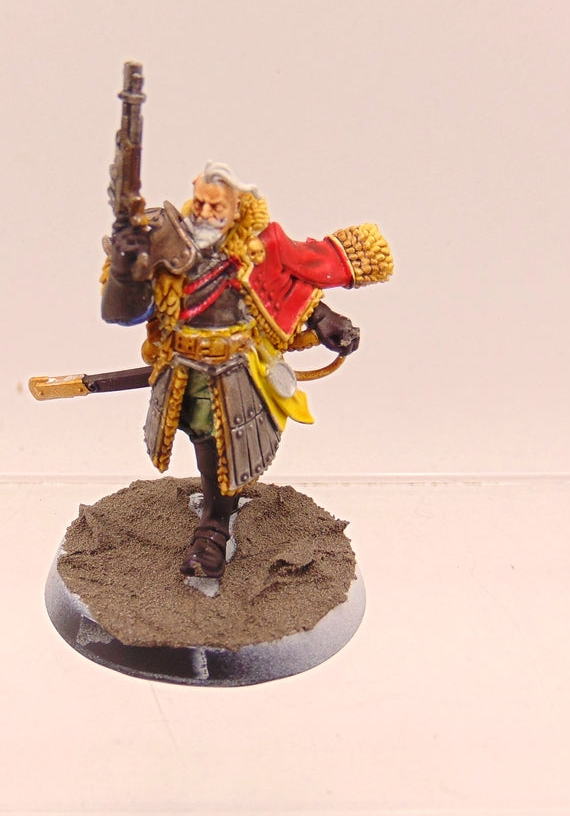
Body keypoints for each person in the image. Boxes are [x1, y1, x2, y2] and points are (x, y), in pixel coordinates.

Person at [101, 162, 393, 578]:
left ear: (237, 208)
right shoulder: (162, 241)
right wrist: (124, 268)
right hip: (183, 367)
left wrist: (325, 319)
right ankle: (214, 510)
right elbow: (122, 313)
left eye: (215, 205)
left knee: (223, 449)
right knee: (200, 438)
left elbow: (288, 287)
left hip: (237, 369)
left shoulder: (255, 250)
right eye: (199, 202)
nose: (204, 212)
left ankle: (214, 527)